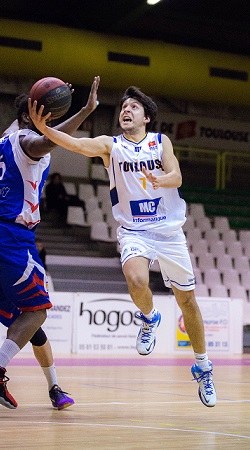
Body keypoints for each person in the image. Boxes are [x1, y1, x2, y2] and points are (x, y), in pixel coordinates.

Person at [29, 82, 216, 408]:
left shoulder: (161, 142)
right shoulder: (110, 146)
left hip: (170, 232)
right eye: (123, 107)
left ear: (146, 117)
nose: (126, 110)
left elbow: (177, 176)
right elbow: (74, 144)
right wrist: (45, 129)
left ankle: (202, 366)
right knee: (136, 279)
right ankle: (150, 317)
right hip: (135, 230)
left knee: (188, 303)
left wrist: (163, 180)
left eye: (133, 107)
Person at [0, 75, 100, 409]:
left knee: (29, 323)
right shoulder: (28, 139)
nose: (50, 123)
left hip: (9, 233)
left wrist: (44, 109)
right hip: (10, 236)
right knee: (38, 311)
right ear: (30, 116)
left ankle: (55, 388)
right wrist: (84, 111)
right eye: (45, 115)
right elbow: (46, 143)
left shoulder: (7, 136)